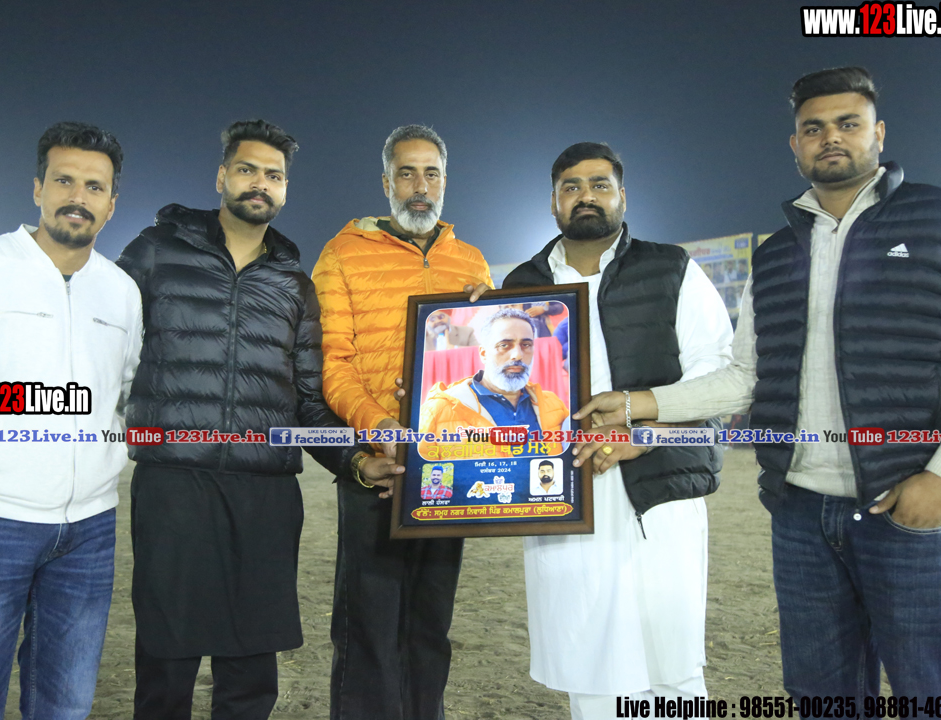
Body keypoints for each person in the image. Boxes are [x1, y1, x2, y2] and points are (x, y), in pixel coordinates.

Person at [596, 67, 941, 701]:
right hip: (800, 512)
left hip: (905, 503)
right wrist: (637, 404)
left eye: (848, 123)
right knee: (821, 695)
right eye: (813, 128)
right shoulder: (776, 254)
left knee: (933, 691)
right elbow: (746, 377)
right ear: (795, 144)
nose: (831, 137)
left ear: (879, 134)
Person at [116, 120, 400, 719]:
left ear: (285, 189)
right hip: (174, 484)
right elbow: (103, 345)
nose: (259, 183)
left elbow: (309, 401)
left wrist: (355, 460)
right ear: (222, 176)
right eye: (247, 170)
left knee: (249, 672)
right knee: (166, 665)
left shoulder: (294, 284)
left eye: (274, 175)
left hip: (264, 494)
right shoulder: (156, 251)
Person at [0, 122, 142, 719]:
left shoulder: (121, 291)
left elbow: (127, 398)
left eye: (94, 187)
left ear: (112, 204)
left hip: (90, 532)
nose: (78, 197)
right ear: (38, 188)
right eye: (64, 180)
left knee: (66, 705)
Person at [501, 141, 733, 718]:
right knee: (589, 667)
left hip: (658, 493)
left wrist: (645, 432)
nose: (586, 196)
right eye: (572, 187)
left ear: (622, 196)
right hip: (560, 495)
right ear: (553, 201)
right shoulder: (522, 284)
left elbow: (720, 376)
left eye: (600, 185)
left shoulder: (670, 268)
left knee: (671, 664)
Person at [312, 124, 492, 720]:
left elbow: (489, 364)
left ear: (445, 181)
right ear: (386, 181)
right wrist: (379, 429)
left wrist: (488, 315)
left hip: (450, 468)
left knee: (430, 625)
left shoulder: (471, 261)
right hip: (379, 468)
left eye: (431, 173)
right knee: (369, 628)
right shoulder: (341, 254)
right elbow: (333, 364)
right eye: (407, 173)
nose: (420, 186)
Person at [417, 306, 569, 459]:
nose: (517, 355)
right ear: (484, 354)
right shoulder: (438, 410)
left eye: (526, 345)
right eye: (504, 345)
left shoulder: (553, 405)